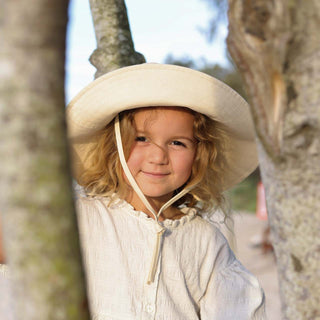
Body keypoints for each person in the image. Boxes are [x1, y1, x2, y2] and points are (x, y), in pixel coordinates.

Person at [67, 63, 266, 319]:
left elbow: (236, 310)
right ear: (114, 145)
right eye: (141, 138)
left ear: (199, 155)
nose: (158, 156)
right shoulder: (81, 218)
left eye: (177, 143)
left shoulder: (206, 241)